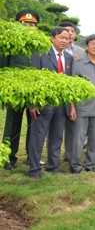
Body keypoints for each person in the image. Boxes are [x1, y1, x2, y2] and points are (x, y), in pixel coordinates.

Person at [27, 26, 73, 179]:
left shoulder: (69, 58)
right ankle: (34, 169)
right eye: (62, 37)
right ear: (52, 38)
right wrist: (32, 104)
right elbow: (32, 80)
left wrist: (71, 105)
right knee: (38, 136)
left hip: (62, 104)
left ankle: (53, 166)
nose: (65, 41)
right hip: (43, 104)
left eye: (67, 38)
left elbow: (70, 83)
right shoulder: (40, 54)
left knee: (56, 136)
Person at [1, 9, 40, 170]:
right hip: (16, 92)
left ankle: (32, 156)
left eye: (32, 24)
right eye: (26, 24)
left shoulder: (40, 44)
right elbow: (3, 68)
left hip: (36, 91)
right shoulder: (11, 44)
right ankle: (8, 158)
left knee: (34, 125)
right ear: (19, 24)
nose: (29, 27)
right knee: (12, 124)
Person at [69, 35, 95, 173]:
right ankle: (75, 165)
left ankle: (90, 164)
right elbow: (72, 87)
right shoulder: (78, 63)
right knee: (78, 138)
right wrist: (72, 107)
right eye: (92, 44)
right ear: (87, 46)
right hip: (82, 107)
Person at [59, 21, 86, 162]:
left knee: (71, 126)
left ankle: (69, 154)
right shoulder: (52, 50)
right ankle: (53, 154)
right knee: (55, 128)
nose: (69, 34)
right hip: (57, 93)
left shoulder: (81, 52)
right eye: (66, 31)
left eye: (72, 31)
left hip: (73, 95)